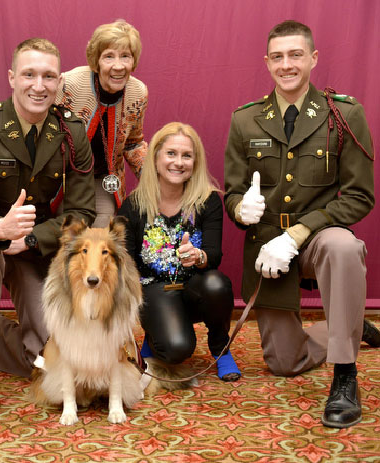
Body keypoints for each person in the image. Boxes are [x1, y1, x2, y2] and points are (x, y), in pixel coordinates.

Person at [224, 20, 379, 428]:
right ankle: (349, 324)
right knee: (284, 363)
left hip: (317, 240)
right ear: (267, 62)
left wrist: (297, 233)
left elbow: (361, 197)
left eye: (295, 55)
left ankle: (345, 376)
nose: (286, 64)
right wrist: (242, 209)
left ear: (313, 58)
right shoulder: (246, 120)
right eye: (277, 56)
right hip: (268, 250)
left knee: (343, 247)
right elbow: (232, 192)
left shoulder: (343, 114)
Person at [0, 38, 95, 431]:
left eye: (48, 76)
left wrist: (29, 240)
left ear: (59, 82)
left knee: (49, 355)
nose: (38, 85)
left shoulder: (71, 131)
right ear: (12, 77)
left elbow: (81, 211)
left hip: (35, 246)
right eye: (29, 74)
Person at [119, 122, 241, 382]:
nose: (179, 162)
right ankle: (155, 332)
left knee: (217, 284)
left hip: (195, 286)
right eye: (171, 153)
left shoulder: (207, 200)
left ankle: (221, 348)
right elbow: (127, 262)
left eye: (187, 155)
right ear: (156, 158)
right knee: (175, 350)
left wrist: (199, 256)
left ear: (195, 162)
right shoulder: (134, 205)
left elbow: (214, 254)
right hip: (153, 289)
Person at [56, 19, 148, 227]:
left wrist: (157, 177)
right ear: (96, 61)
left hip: (103, 180)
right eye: (109, 56)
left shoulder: (137, 93)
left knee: (103, 237)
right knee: (65, 235)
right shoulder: (69, 84)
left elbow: (133, 143)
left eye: (125, 56)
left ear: (133, 61)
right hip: (62, 179)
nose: (118, 66)